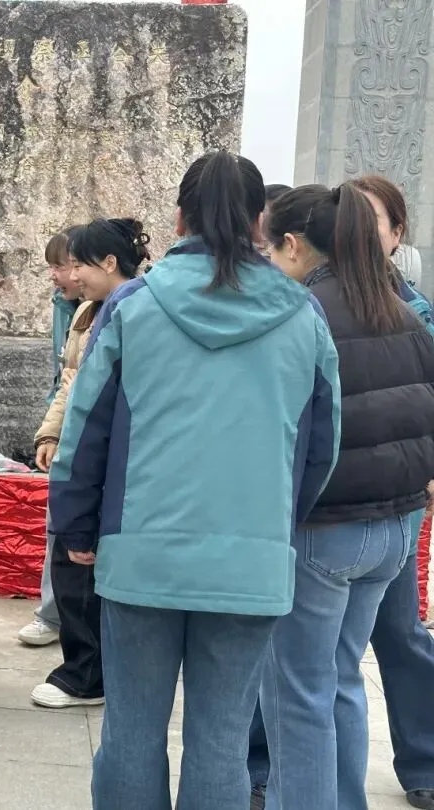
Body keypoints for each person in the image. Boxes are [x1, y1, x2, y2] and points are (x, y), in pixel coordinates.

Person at [50, 151, 341, 809]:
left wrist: (76, 526)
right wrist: (274, 525)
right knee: (221, 742)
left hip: (142, 551)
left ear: (180, 217)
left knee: (131, 732)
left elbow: (84, 431)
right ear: (260, 221)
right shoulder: (303, 315)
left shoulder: (132, 306)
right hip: (252, 561)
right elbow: (323, 448)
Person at [249, 176, 434, 810]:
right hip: (395, 530)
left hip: (324, 529)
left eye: (271, 248)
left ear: (294, 245)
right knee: (340, 680)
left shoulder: (301, 315)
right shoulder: (404, 312)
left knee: (297, 692)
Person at [29, 218, 149, 709]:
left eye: (79, 264)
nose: (71, 274)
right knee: (69, 556)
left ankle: (88, 675)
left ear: (110, 262)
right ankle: (86, 666)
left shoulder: (140, 311)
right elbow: (71, 383)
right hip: (80, 445)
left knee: (83, 562)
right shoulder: (85, 314)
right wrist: (51, 432)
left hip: (110, 452)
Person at [18, 228, 81, 648]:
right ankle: (52, 613)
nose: (54, 276)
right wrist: (51, 430)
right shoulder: (66, 306)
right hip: (64, 417)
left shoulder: (115, 307)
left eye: (60, 266)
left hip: (90, 427)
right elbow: (65, 374)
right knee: (57, 523)